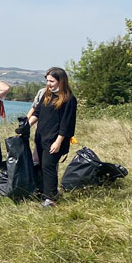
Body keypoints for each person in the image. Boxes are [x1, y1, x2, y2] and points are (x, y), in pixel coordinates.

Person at [28, 67, 78, 207]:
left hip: (55, 140)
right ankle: (43, 193)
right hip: (41, 138)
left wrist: (58, 142)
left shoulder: (69, 99)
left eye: (52, 81)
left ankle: (51, 199)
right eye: (47, 81)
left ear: (61, 81)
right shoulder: (47, 95)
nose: (48, 84)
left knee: (48, 167)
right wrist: (27, 126)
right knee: (40, 166)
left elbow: (66, 124)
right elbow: (37, 113)